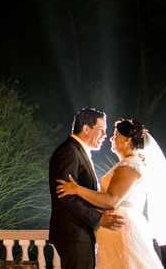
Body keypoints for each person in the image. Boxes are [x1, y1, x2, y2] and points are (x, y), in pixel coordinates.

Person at [56, 119, 166, 269]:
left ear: (127, 139)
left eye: (116, 135)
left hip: (122, 230)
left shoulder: (130, 165)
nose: (112, 138)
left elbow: (112, 200)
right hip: (114, 230)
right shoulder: (125, 163)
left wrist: (77, 189)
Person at [49, 108, 125, 269]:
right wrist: (98, 218)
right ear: (86, 128)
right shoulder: (68, 152)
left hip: (79, 232)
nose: (105, 135)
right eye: (102, 130)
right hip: (73, 232)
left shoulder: (77, 151)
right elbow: (65, 195)